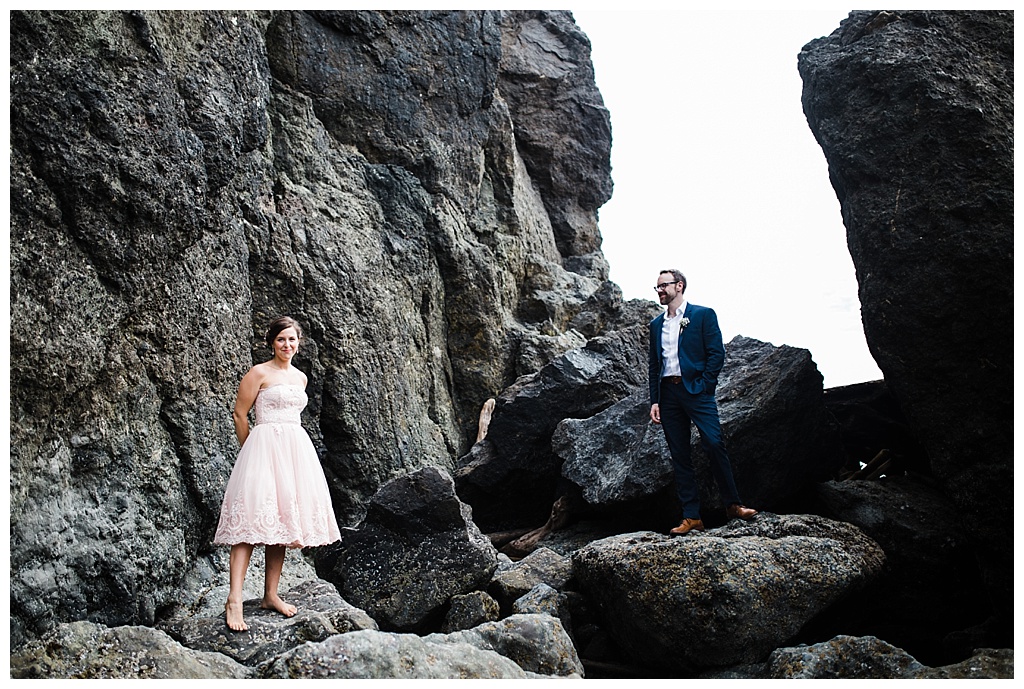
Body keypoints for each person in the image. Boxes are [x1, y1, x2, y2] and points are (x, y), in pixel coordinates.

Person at [214, 316, 342, 631]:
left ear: (298, 344)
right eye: (282, 339)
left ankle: (270, 594)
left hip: (295, 450)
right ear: (272, 342)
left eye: (292, 340)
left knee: (282, 521)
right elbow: (240, 413)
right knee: (248, 523)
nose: (287, 345)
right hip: (263, 447)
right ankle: (234, 599)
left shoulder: (300, 378)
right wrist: (250, 448)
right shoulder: (258, 373)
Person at [648, 269, 757, 536]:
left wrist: (706, 385)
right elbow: (654, 365)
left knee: (713, 442)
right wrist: (655, 400)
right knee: (680, 455)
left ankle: (733, 505)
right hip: (668, 394)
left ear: (679, 286)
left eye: (664, 285)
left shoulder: (703, 315)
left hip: (697, 391)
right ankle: (692, 517)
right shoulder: (655, 325)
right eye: (657, 287)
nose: (660, 290)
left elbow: (716, 353)